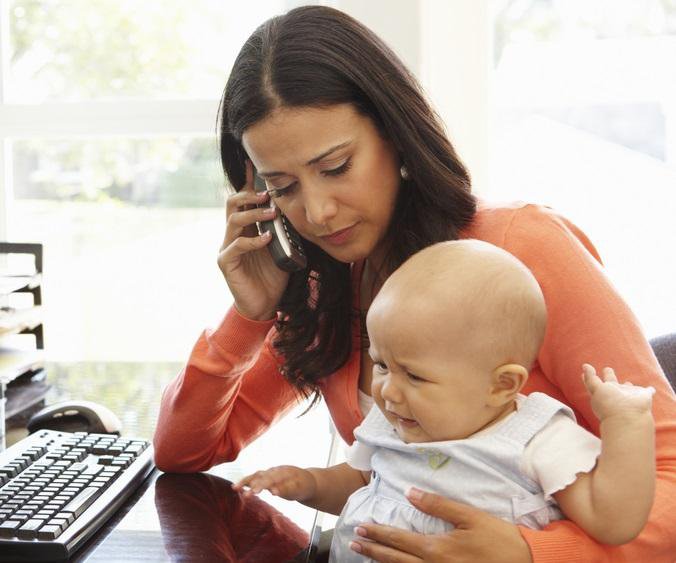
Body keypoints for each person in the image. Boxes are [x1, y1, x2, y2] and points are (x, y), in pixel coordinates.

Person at [153, 5, 676, 561]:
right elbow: (183, 450)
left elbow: (668, 475)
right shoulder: (322, 285)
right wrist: (249, 316)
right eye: (283, 187)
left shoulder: (523, 246)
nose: (320, 211)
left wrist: (532, 553)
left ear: (395, 133)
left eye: (335, 168)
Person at [232, 240, 657, 561]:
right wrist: (307, 484)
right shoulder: (394, 418)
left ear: (502, 385)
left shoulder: (538, 439)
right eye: (381, 365)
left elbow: (614, 521)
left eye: (414, 375)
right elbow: (362, 483)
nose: (387, 391)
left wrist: (627, 426)